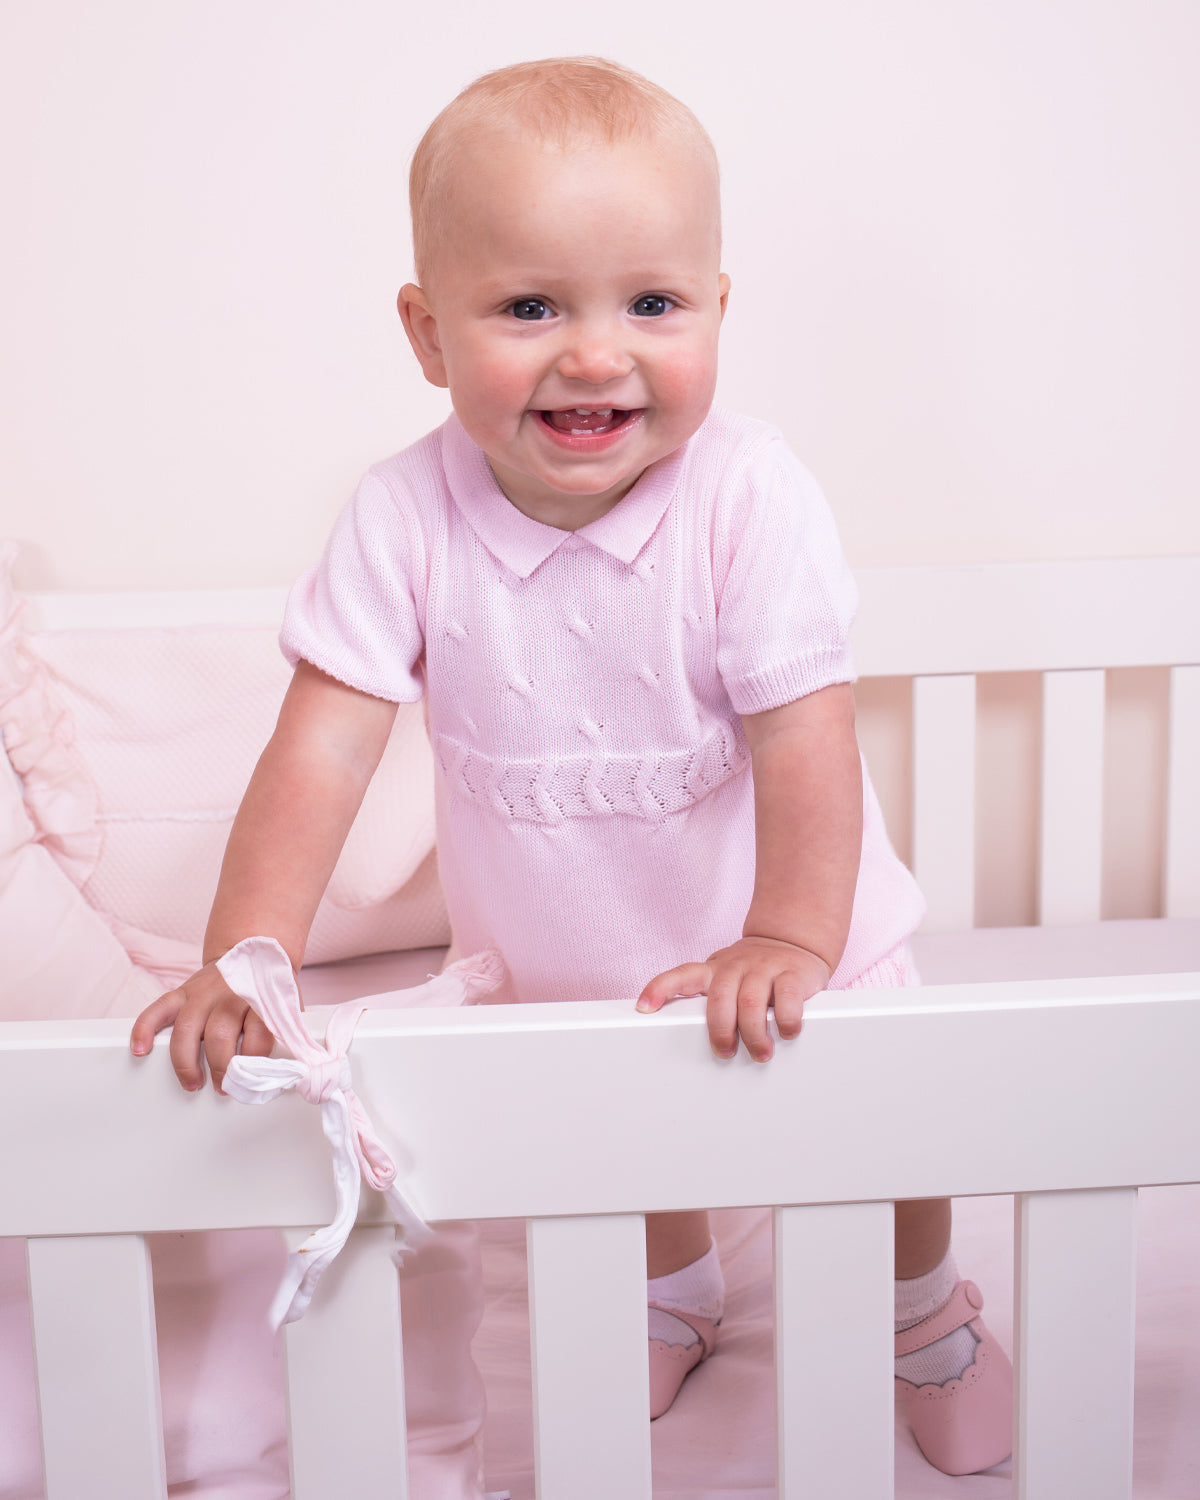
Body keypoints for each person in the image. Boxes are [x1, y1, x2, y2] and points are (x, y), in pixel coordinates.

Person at [130, 55, 1011, 1489]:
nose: (595, 355)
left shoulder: (749, 496)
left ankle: (927, 1317)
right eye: (530, 306)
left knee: (889, 1136)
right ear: (426, 330)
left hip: (796, 927)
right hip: (566, 953)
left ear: (720, 308)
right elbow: (323, 745)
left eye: (651, 305)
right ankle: (679, 1295)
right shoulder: (402, 515)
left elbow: (806, 730)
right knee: (625, 1137)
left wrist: (788, 933)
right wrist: (251, 956)